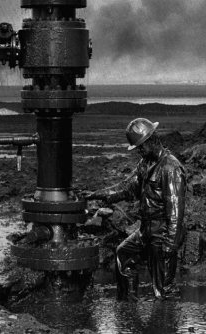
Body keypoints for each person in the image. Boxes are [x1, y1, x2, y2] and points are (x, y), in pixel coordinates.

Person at [83, 118, 186, 301]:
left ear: (151, 140)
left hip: (162, 232)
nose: (139, 151)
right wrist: (97, 195)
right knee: (123, 253)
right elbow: (128, 188)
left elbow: (175, 211)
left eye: (140, 147)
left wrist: (171, 244)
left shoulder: (171, 168)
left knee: (162, 289)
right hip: (146, 229)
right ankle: (128, 305)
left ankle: (166, 321)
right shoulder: (145, 163)